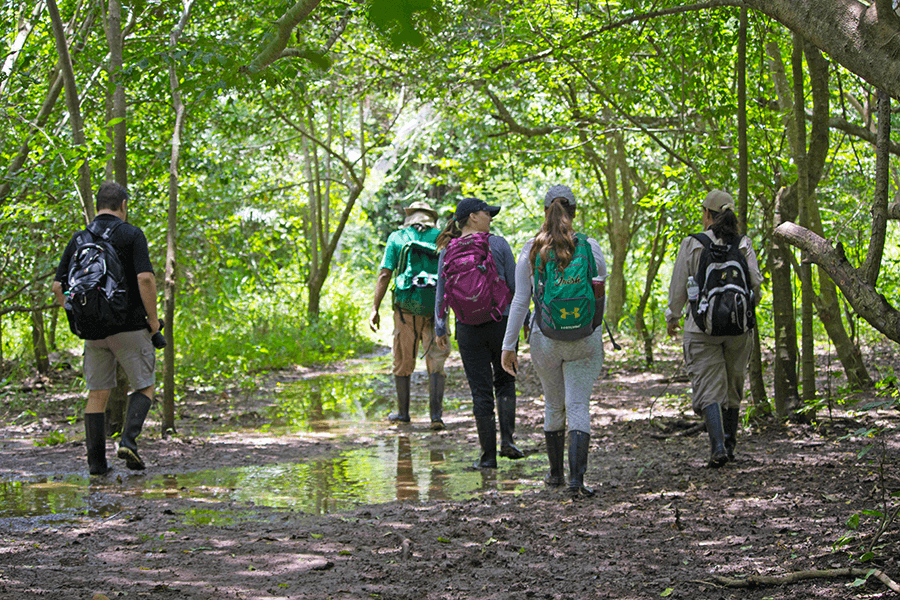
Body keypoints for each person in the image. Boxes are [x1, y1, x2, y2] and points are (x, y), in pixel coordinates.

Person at [501, 185, 607, 497]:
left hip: (544, 338)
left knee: (553, 402)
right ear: (573, 211)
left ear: (545, 211)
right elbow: (599, 294)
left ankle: (555, 475)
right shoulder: (590, 246)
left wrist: (509, 346)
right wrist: (593, 331)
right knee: (578, 404)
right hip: (585, 339)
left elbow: (521, 301)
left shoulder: (532, 249)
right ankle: (577, 481)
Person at [52, 181, 161, 475]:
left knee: (97, 393)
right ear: (123, 205)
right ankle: (128, 441)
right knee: (146, 385)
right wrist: (153, 320)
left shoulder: (79, 238)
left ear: (97, 205)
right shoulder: (131, 234)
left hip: (93, 332)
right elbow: (146, 280)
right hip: (129, 328)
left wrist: (78, 315)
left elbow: (57, 285)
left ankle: (97, 465)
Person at [665, 189, 762, 467]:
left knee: (709, 385)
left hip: (700, 327)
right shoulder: (744, 244)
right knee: (733, 384)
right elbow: (755, 282)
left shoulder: (692, 244)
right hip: (739, 328)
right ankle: (730, 446)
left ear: (707, 214)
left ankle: (717, 446)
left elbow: (679, 286)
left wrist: (673, 317)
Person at [434, 197, 521, 469]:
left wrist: (441, 327)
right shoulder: (498, 244)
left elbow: (441, 292)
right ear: (472, 217)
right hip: (501, 322)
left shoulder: (447, 250)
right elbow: (516, 287)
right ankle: (508, 441)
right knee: (505, 380)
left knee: (480, 390)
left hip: (467, 327)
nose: (490, 218)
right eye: (487, 213)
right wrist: (523, 321)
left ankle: (488, 457)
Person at [370, 200, 451, 429]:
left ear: (410, 218)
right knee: (437, 360)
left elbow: (385, 274)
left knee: (403, 359)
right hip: (437, 308)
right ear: (430, 217)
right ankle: (436, 417)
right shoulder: (442, 237)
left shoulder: (397, 238)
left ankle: (404, 413)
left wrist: (375, 307)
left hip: (406, 308)